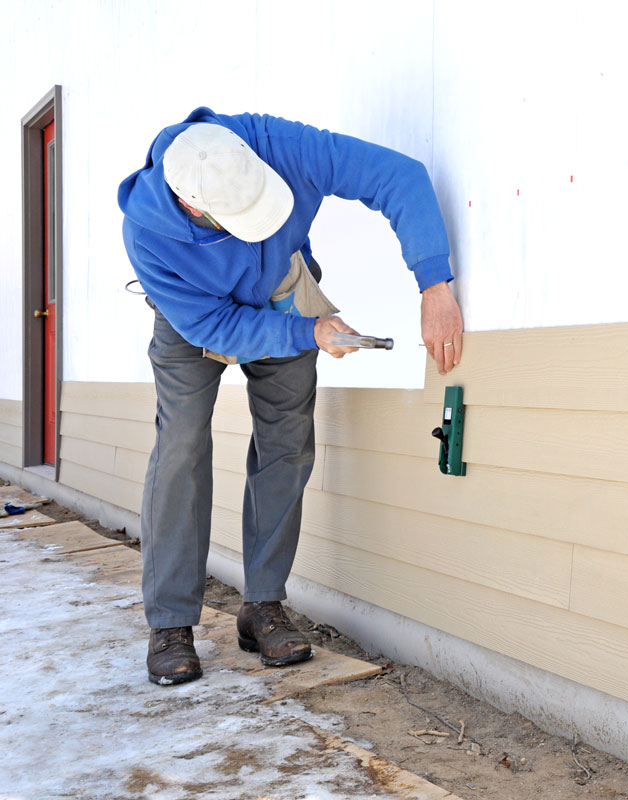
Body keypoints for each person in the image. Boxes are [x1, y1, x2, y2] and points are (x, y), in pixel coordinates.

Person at [118, 107, 463, 686]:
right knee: (180, 447)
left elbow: (399, 175)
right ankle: (172, 623)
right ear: (193, 207)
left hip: (283, 287)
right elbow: (214, 328)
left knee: (287, 445)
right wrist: (309, 333)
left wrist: (435, 283)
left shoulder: (280, 144)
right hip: (193, 319)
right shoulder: (148, 232)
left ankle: (263, 607)